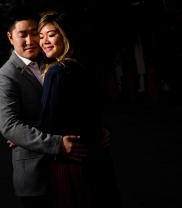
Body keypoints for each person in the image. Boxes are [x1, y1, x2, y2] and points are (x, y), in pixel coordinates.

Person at [0, 6, 88, 208]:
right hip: (37, 177)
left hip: (72, 168)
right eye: (22, 35)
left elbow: (80, 104)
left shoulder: (57, 60)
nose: (30, 40)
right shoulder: (4, 78)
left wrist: (99, 128)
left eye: (35, 33)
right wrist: (56, 144)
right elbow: (10, 127)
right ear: (10, 37)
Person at [35, 12, 122, 207]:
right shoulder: (88, 66)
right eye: (41, 36)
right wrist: (102, 128)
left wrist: (21, 135)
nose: (44, 42)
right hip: (99, 156)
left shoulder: (58, 71)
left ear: (65, 36)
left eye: (51, 34)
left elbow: (49, 120)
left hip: (74, 159)